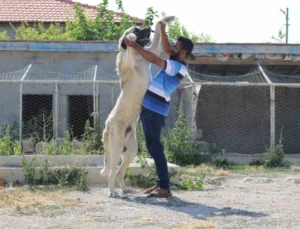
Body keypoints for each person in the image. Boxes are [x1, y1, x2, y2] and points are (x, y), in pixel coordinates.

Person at [124, 21, 195, 198]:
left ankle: (164, 188)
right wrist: (162, 30)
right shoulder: (175, 61)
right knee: (154, 148)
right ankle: (161, 185)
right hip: (152, 111)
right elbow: (165, 48)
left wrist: (134, 46)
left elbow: (154, 59)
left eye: (176, 46)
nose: (172, 47)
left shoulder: (178, 67)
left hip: (153, 112)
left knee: (156, 149)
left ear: (183, 52)